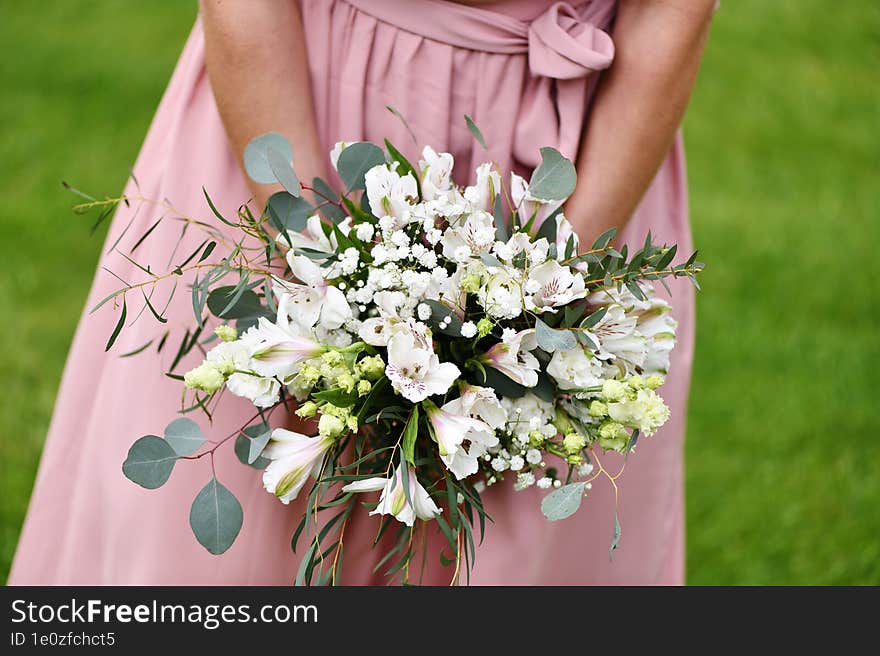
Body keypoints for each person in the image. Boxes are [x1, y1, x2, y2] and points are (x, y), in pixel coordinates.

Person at [10, 0, 715, 585]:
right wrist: (320, 263)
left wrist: (543, 296)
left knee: (518, 531)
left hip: (581, 174)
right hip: (299, 111)